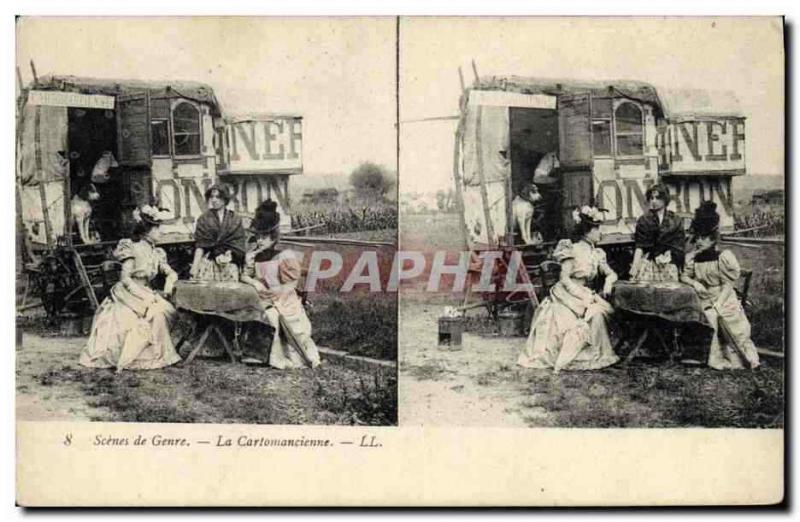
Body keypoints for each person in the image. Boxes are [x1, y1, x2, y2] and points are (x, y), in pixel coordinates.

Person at [79, 204, 181, 372]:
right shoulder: (132, 247)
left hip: (145, 290)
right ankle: (137, 357)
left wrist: (170, 279)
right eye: (157, 229)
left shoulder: (157, 252)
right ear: (147, 231)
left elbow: (169, 271)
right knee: (150, 314)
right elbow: (125, 279)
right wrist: (144, 296)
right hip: (128, 292)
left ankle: (159, 354)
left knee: (166, 310)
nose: (161, 232)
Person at [518, 206, 619, 372]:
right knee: (577, 320)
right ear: (587, 231)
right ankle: (575, 355)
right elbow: (564, 279)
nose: (601, 233)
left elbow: (611, 273)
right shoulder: (571, 249)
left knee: (600, 311)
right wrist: (581, 296)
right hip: (567, 293)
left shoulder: (597, 253)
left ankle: (593, 352)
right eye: (597, 228)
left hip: (584, 292)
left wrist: (608, 281)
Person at [240, 200, 321, 369]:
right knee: (257, 310)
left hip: (284, 296)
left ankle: (280, 356)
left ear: (273, 237)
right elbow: (244, 276)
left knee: (274, 315)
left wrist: (275, 295)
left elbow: (291, 283)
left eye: (265, 237)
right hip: (263, 295)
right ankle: (257, 353)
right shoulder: (254, 256)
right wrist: (254, 282)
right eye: (258, 237)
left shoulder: (284, 255)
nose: (260, 241)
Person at [680, 201, 760, 370]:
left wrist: (718, 304)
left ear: (713, 238)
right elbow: (684, 276)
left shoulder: (723, 256)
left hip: (724, 297)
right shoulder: (694, 258)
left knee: (721, 318)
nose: (700, 242)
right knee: (698, 314)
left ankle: (739, 358)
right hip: (703, 296)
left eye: (704, 238)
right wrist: (695, 283)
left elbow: (728, 284)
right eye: (698, 238)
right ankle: (700, 355)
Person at [630, 183, 685, 282]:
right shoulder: (644, 220)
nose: (653, 201)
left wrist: (669, 254)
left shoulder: (675, 220)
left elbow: (679, 245)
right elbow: (640, 246)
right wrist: (634, 268)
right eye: (651, 198)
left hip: (669, 264)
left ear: (665, 199)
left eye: (657, 198)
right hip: (649, 264)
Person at [190, 184, 246, 282]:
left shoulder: (235, 219)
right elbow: (200, 245)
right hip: (209, 264)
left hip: (228, 265)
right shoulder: (204, 219)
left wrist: (230, 254)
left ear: (225, 199)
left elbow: (238, 244)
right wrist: (194, 267)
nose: (214, 200)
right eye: (212, 197)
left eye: (218, 197)